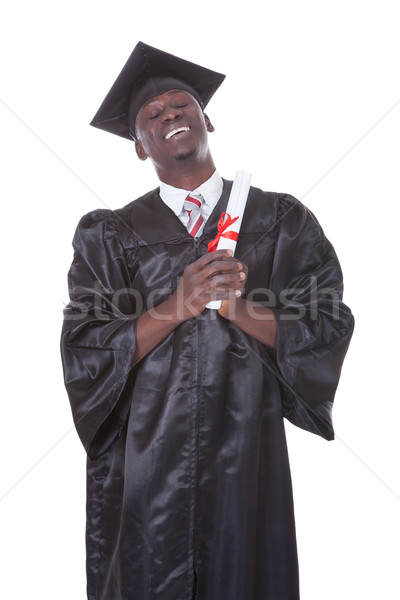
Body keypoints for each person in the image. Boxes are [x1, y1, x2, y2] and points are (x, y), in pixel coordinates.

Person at [61, 41, 354, 600]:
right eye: (152, 115)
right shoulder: (109, 235)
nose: (169, 116)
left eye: (181, 105)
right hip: (147, 460)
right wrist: (180, 304)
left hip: (246, 452)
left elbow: (325, 324)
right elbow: (86, 347)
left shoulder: (279, 220)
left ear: (206, 117)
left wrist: (238, 308)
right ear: (139, 147)